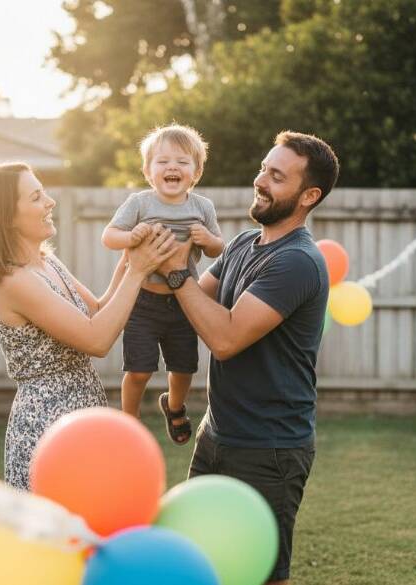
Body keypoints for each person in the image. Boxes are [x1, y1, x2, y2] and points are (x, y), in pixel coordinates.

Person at [158, 131, 340, 584]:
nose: (260, 181)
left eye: (277, 177)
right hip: (216, 434)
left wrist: (176, 270)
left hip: (271, 449)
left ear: (308, 195)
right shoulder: (241, 244)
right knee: (195, 559)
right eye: (263, 168)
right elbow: (186, 307)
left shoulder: (297, 261)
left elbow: (226, 337)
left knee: (261, 573)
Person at [0, 162, 174, 490]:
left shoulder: (47, 262)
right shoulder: (14, 281)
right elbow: (96, 339)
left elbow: (97, 310)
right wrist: (139, 272)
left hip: (83, 411)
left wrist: (130, 257)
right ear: (6, 217)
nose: (50, 202)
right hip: (47, 424)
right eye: (36, 197)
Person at [102, 124, 224, 445]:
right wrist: (132, 236)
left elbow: (217, 249)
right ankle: (129, 420)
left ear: (195, 172)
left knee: (183, 367)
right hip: (143, 302)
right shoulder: (139, 204)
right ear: (148, 171)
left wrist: (207, 238)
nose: (172, 167)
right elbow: (109, 237)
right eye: (163, 161)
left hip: (184, 303)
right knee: (139, 370)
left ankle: (174, 406)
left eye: (182, 162)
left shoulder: (202, 208)